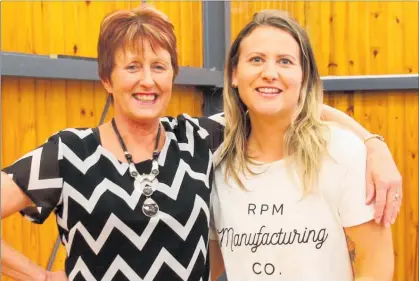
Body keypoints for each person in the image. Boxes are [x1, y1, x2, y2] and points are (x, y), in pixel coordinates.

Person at [0, 5, 400, 281]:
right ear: (107, 79)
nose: (147, 80)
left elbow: (278, 107)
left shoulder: (195, 140)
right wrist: (37, 274)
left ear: (173, 76)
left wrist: (372, 143)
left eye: (159, 67)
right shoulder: (69, 153)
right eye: (132, 67)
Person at [209, 10, 395, 281]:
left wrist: (372, 143)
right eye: (256, 59)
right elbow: (207, 267)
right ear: (235, 74)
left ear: (304, 76)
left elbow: (375, 267)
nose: (269, 73)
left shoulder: (342, 152)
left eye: (285, 61)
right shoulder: (214, 156)